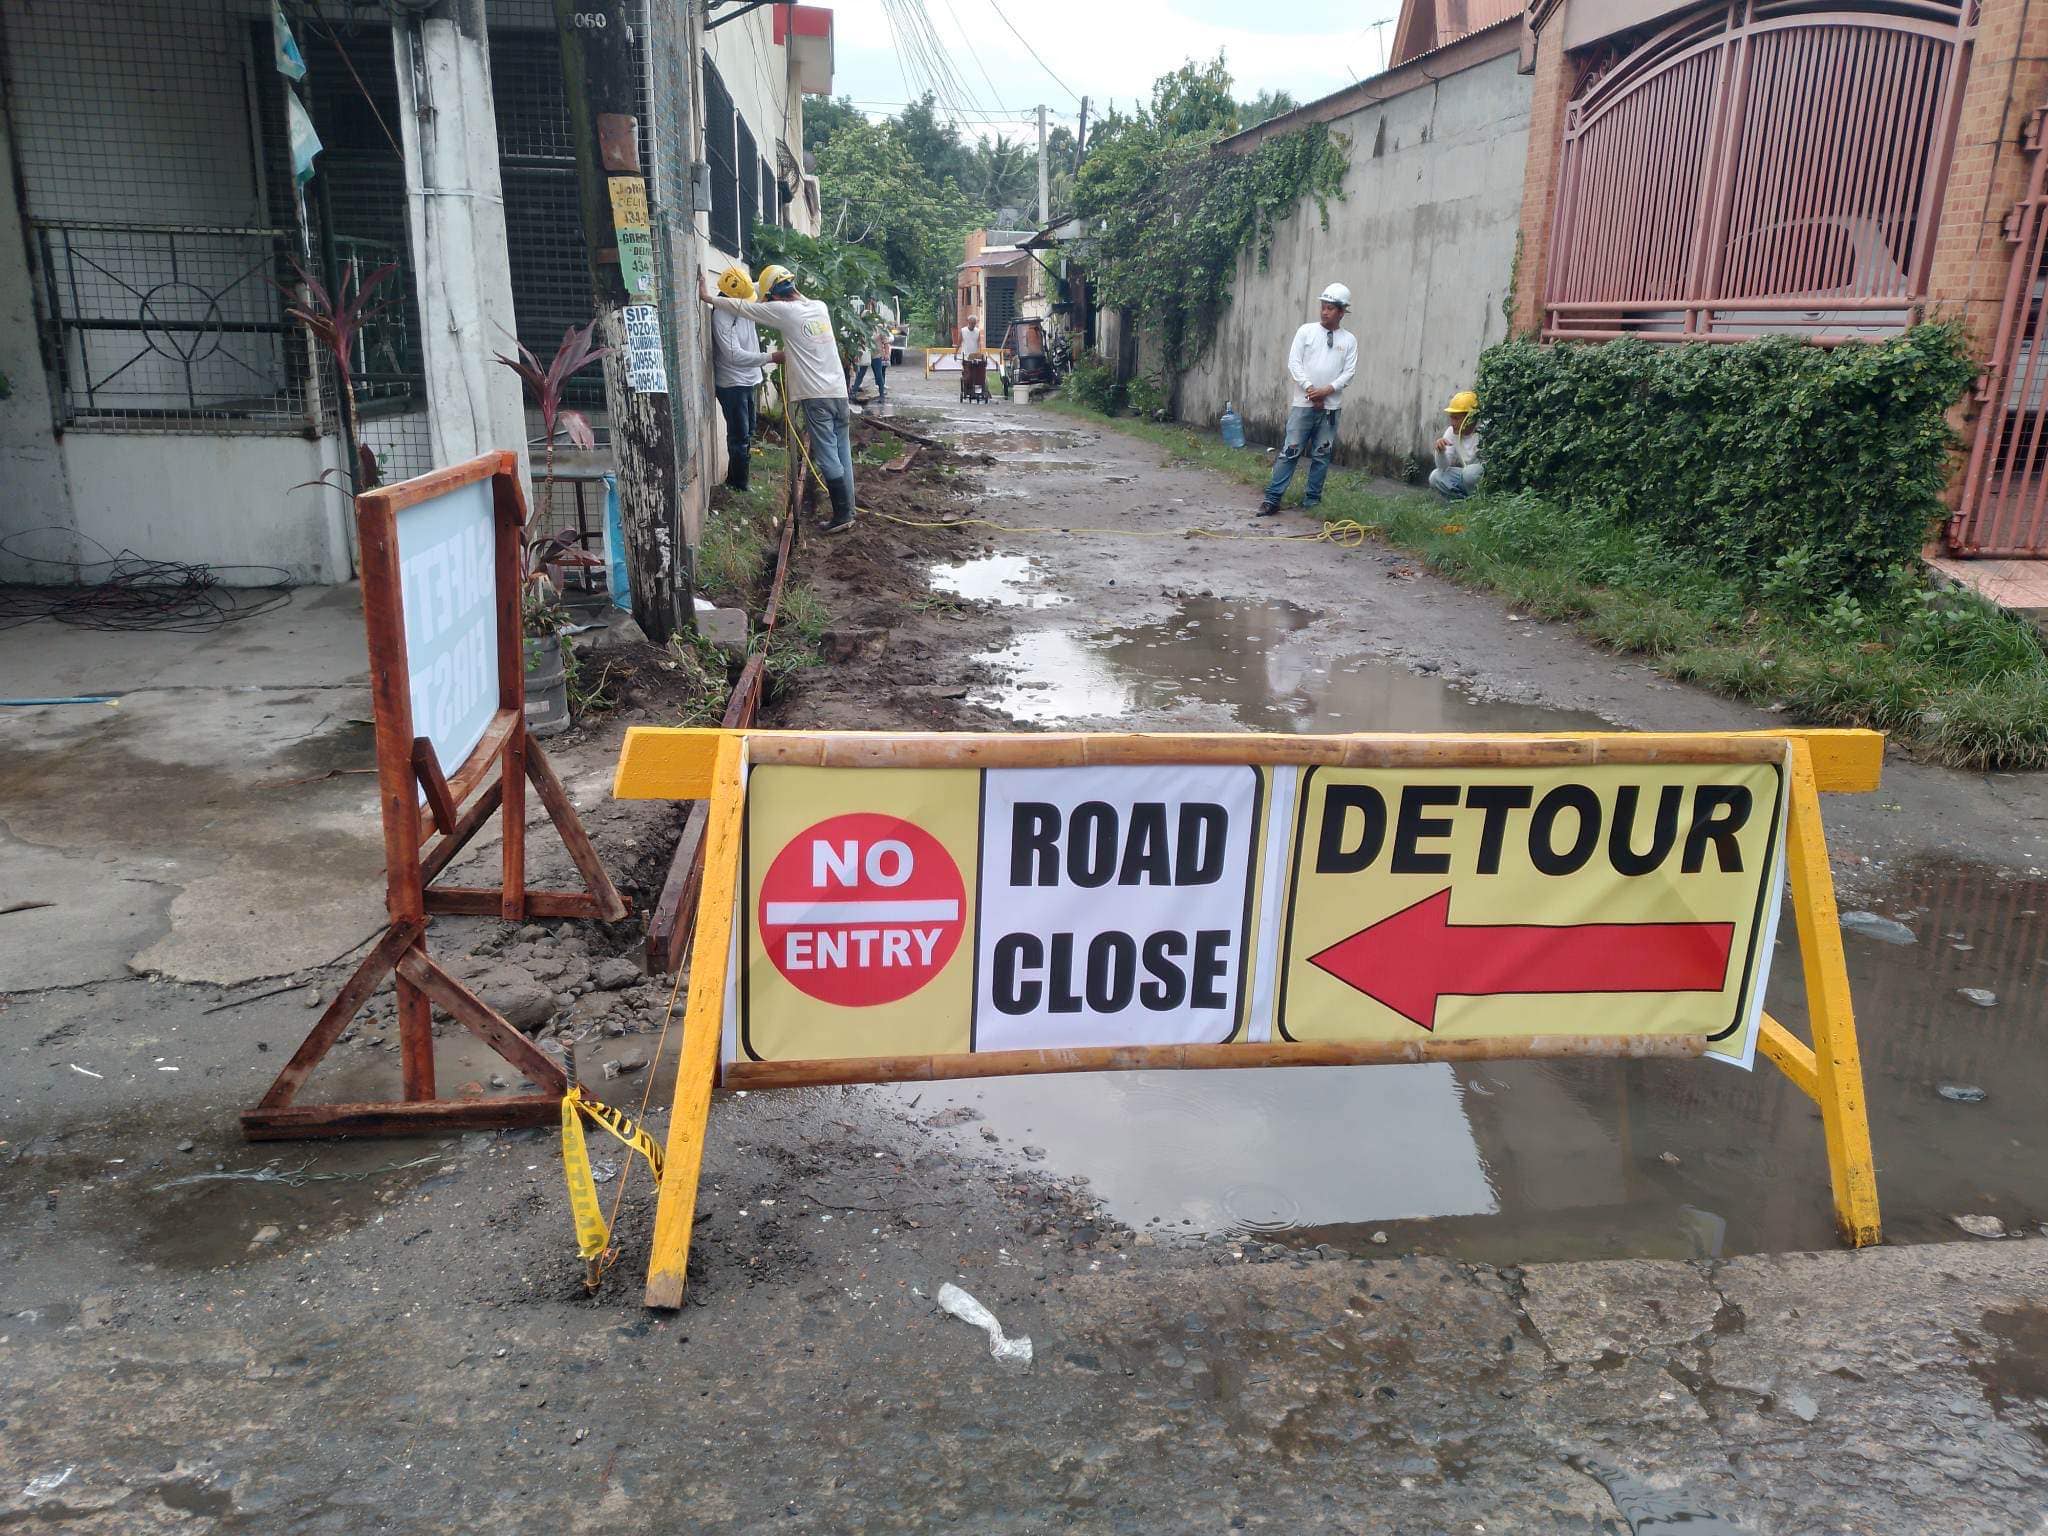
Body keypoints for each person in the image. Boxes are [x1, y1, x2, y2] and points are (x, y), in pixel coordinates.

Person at [700, 262, 856, 534]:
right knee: (843, 452)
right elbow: (786, 294)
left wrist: (708, 298)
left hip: (816, 396)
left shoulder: (783, 311)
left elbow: (743, 307)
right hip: (839, 392)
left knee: (828, 455)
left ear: (773, 296)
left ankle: (842, 515)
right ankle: (848, 510)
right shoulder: (818, 306)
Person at [1259, 282, 1358, 516]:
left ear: (1342, 312)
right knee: (1290, 451)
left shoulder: (1349, 340)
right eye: (1323, 306)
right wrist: (1311, 390)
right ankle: (1272, 499)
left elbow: (1349, 373)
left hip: (1330, 408)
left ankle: (1312, 501)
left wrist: (1326, 392)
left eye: (1331, 308)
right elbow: (1295, 363)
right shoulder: (1306, 331)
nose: (1325, 311)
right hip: (1303, 404)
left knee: (1322, 454)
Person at [710, 265, 772, 492]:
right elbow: (733, 355)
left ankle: (736, 479)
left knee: (749, 430)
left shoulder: (744, 295)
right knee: (739, 435)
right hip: (732, 383)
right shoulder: (722, 316)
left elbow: (761, 286)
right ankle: (739, 485)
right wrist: (770, 357)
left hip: (749, 379)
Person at [1430, 390, 1483, 500]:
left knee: (1470, 473)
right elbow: (1442, 467)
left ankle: (1481, 501)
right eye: (1451, 417)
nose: (1452, 423)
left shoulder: (1484, 431)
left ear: (1470, 418)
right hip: (1466, 475)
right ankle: (1461, 502)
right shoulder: (1451, 432)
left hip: (1481, 478)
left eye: (1456, 418)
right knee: (1435, 476)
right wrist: (1441, 452)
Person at [852, 305, 891, 402]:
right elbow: (859, 343)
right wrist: (857, 355)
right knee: (861, 373)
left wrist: (886, 354)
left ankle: (882, 394)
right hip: (865, 354)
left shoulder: (878, 328)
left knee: (878, 375)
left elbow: (885, 342)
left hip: (876, 354)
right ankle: (853, 392)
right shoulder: (861, 328)